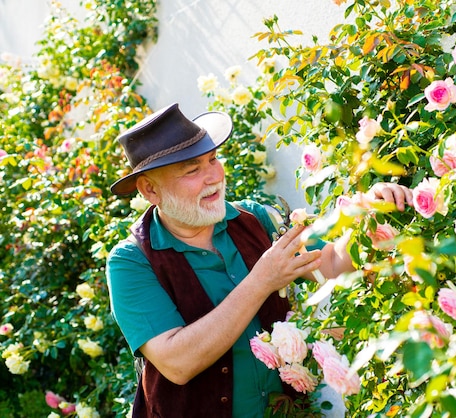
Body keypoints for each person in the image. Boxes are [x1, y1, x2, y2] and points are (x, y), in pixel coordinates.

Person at [105, 103, 413, 417]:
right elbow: (178, 363)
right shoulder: (131, 262)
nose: (213, 177)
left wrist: (366, 217)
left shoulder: (255, 219)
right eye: (192, 170)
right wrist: (261, 281)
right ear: (150, 189)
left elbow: (331, 263)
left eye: (212, 159)